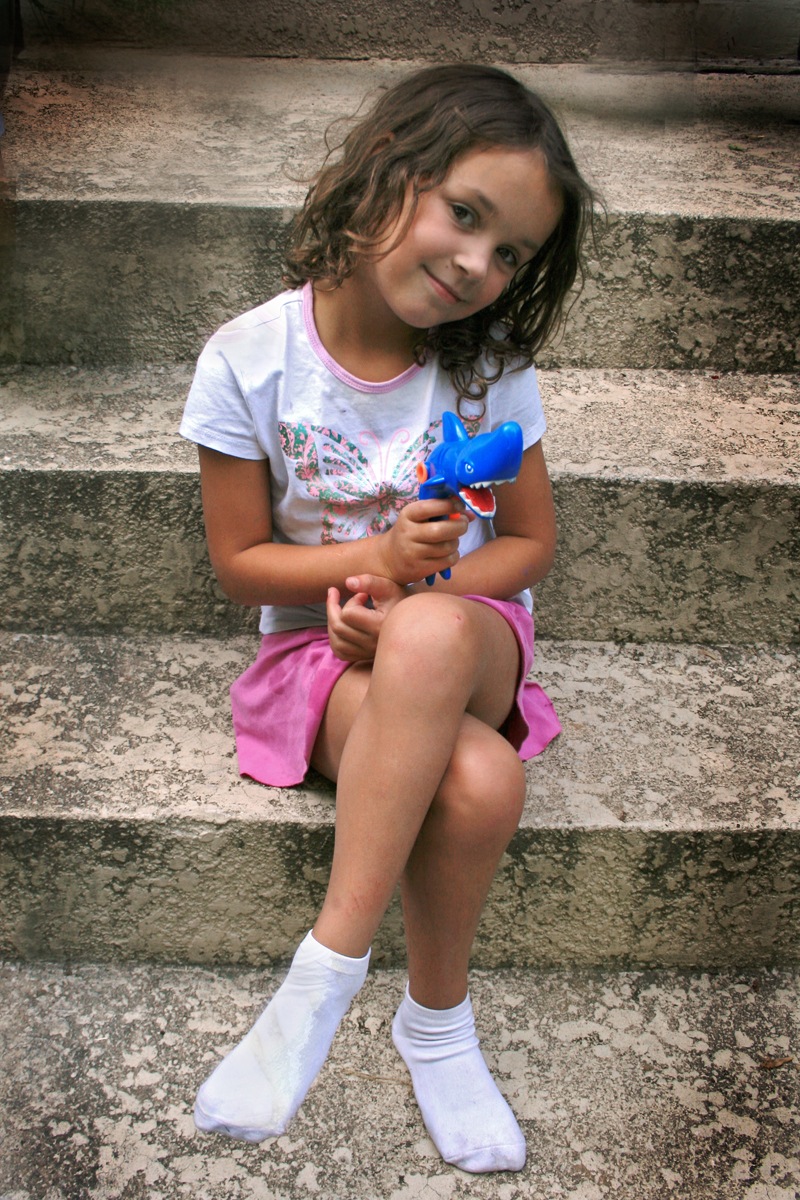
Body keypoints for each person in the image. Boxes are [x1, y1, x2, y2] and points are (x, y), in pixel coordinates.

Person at [180, 63, 594, 1174]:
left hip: (470, 638)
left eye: (509, 252)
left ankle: (321, 975)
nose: (477, 265)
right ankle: (436, 1027)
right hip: (321, 661)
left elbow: (526, 544)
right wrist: (367, 564)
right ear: (386, 172)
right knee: (482, 782)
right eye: (465, 215)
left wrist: (419, 593)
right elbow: (237, 565)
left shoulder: (488, 371)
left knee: (422, 637)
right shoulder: (249, 360)